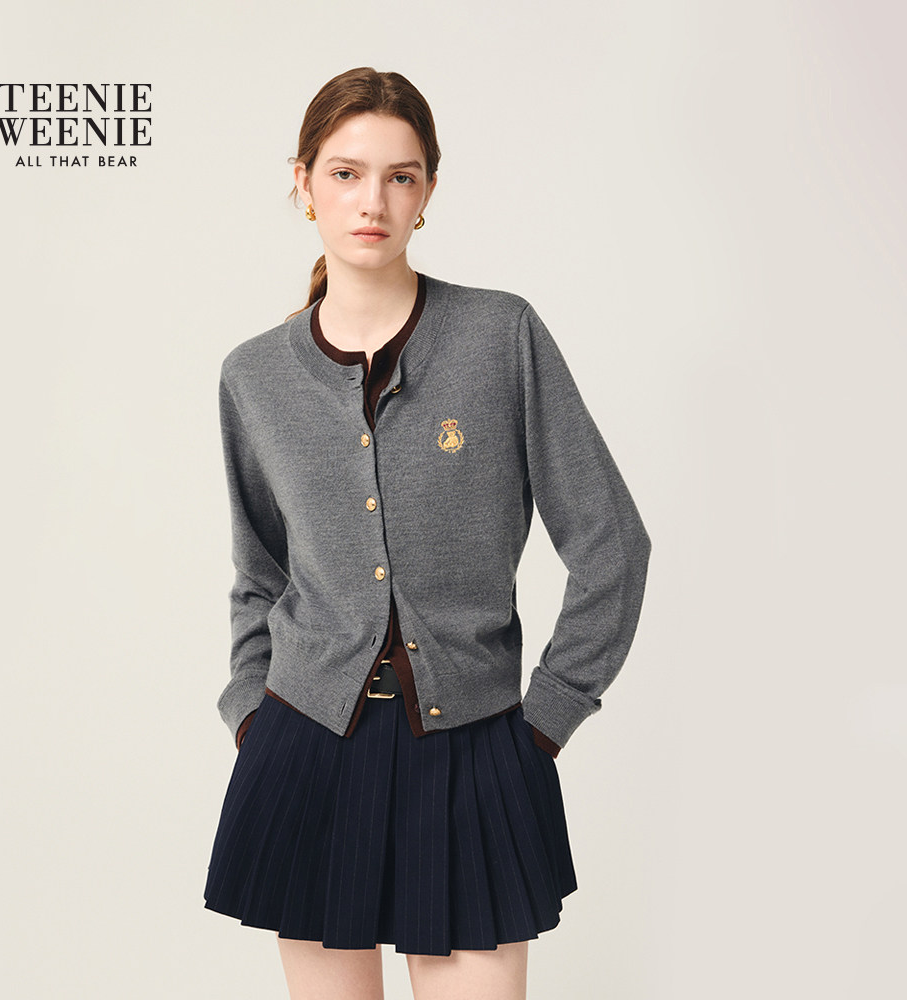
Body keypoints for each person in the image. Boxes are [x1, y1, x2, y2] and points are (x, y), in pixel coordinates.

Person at [203, 66, 652, 1000]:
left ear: (428, 193)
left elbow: (612, 542)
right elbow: (259, 573)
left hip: (477, 748)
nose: (372, 201)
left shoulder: (500, 336)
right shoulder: (255, 376)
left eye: (399, 177)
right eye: (345, 173)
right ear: (303, 183)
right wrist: (251, 710)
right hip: (305, 746)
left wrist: (546, 720)